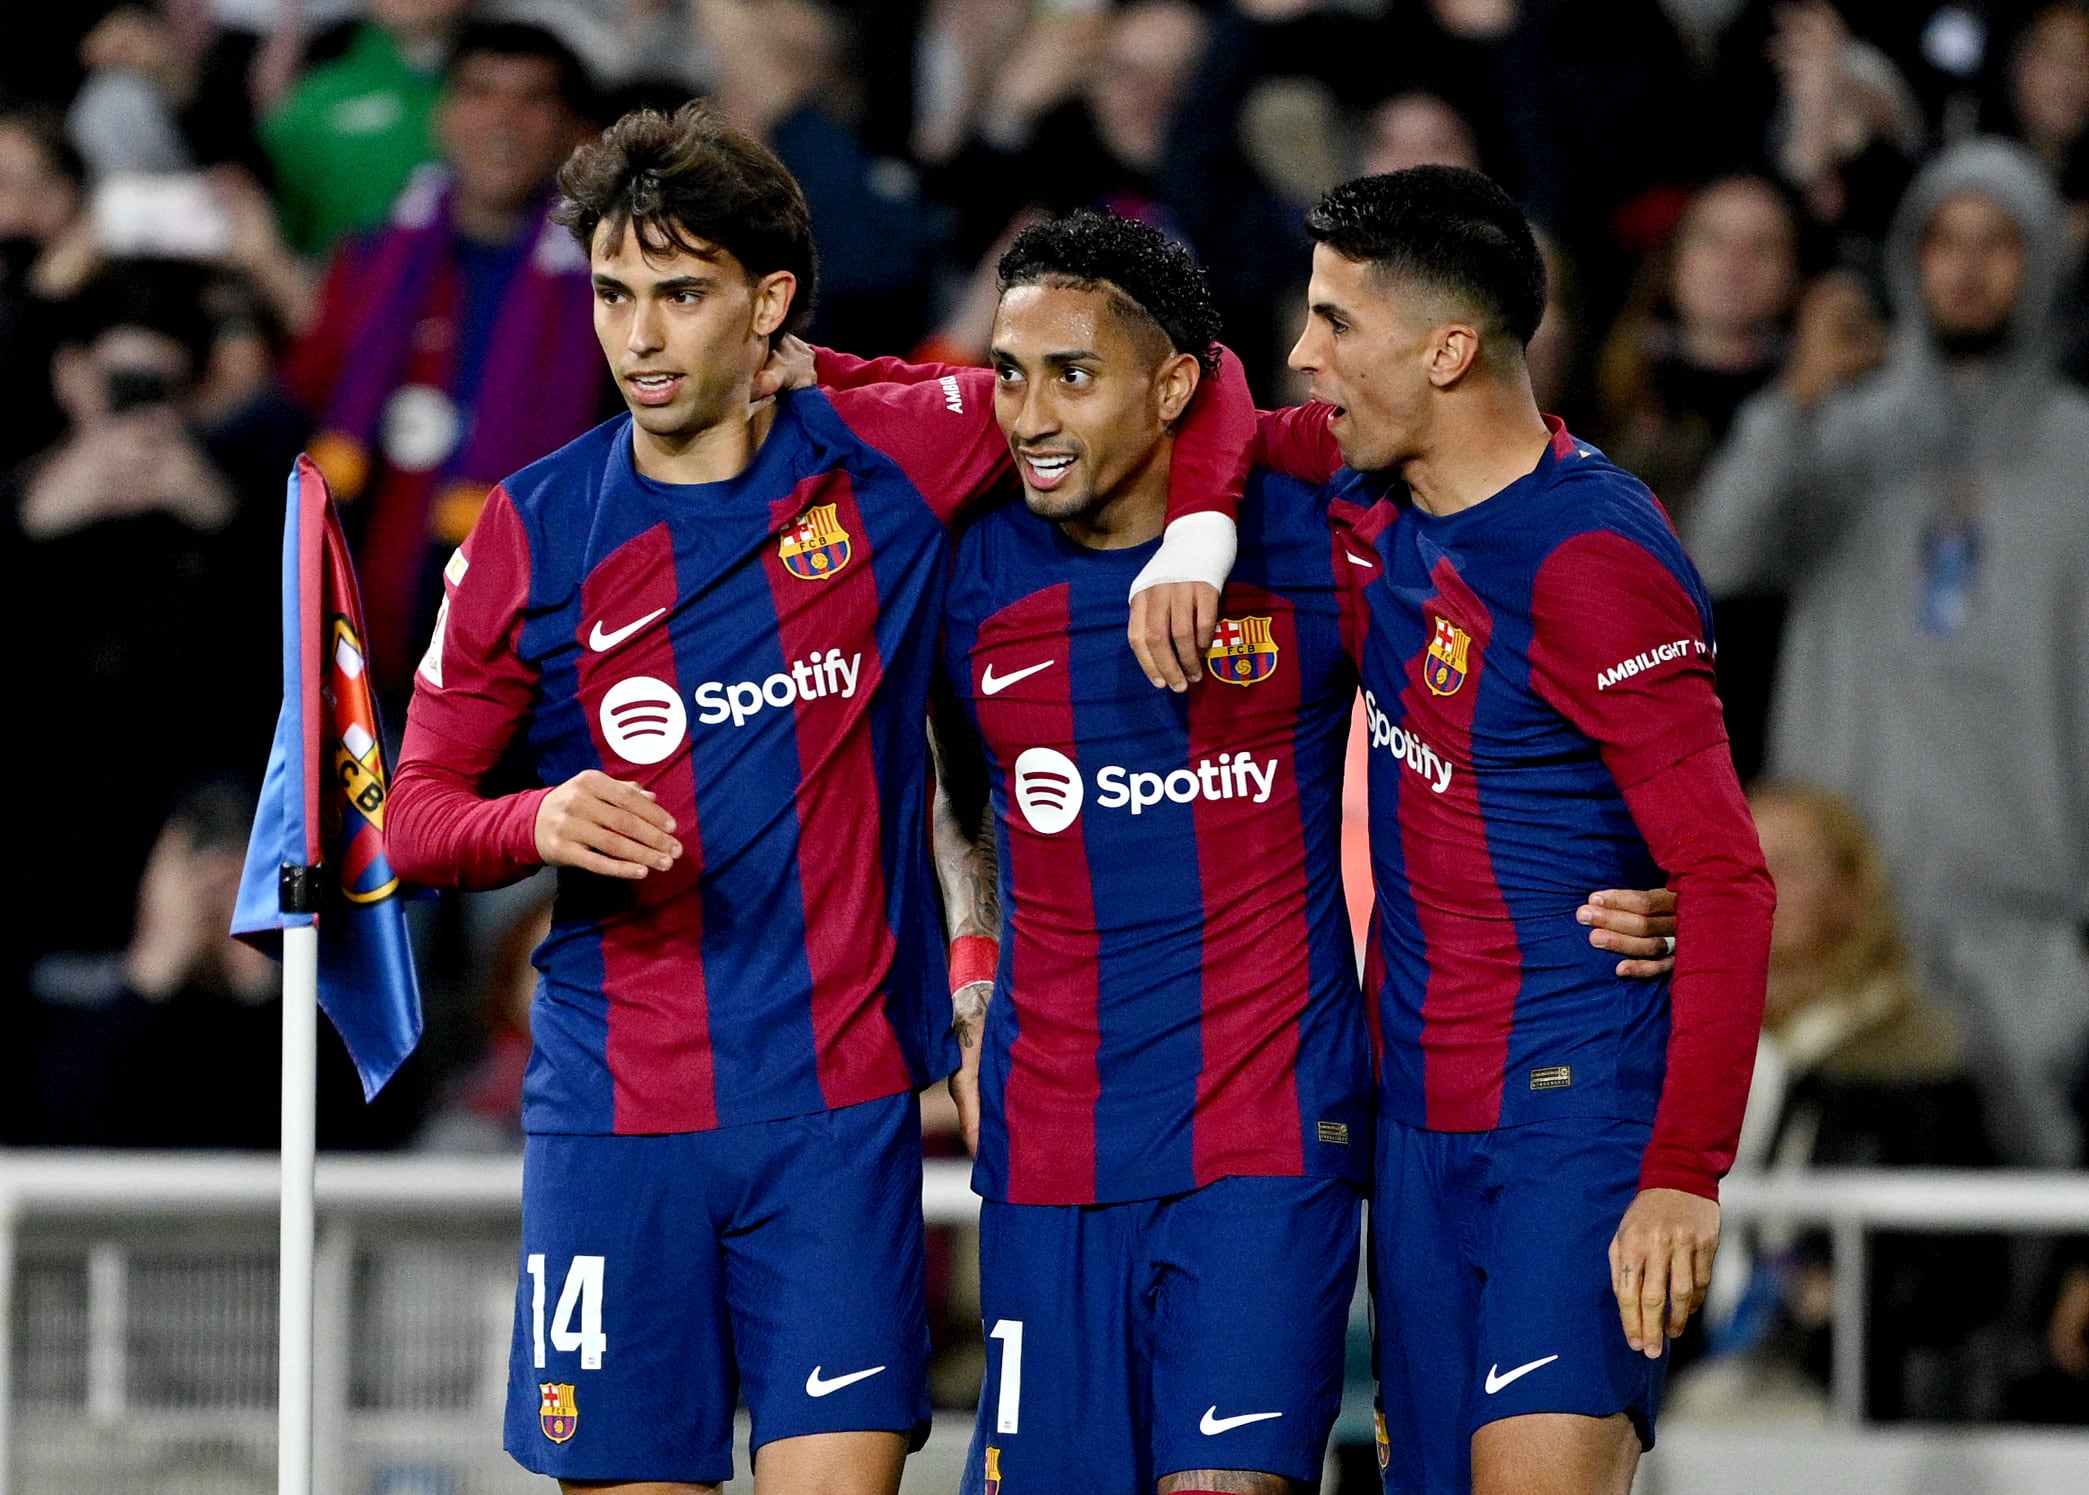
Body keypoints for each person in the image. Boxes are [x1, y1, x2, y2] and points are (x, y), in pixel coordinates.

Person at [384, 102, 1243, 1494]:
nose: (640, 336)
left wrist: (1200, 534)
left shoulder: (893, 457)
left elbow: (1179, 375)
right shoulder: (530, 529)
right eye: (614, 293)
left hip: (837, 1115)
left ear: (767, 301)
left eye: (681, 293)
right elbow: (410, 810)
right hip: (616, 1115)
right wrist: (531, 821)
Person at [805, 208, 1682, 1494]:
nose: (1030, 413)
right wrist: (974, 983)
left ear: (1164, 387)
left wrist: (1625, 876)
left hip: (1268, 1123)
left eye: (1073, 375)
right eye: (1011, 374)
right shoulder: (964, 561)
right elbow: (955, 793)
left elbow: (1510, 609)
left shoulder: (1309, 532)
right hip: (1052, 1134)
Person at [1256, 166, 1775, 1494]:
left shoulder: (1591, 558)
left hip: (1574, 1122)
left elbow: (1723, 871)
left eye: (1334, 321)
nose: (1304, 354)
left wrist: (1683, 1171)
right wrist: (812, 376)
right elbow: (1172, 413)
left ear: (1445, 350)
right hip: (1419, 1127)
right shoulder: (1370, 496)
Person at [1688, 137, 2089, 1168]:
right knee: (1846, 1222)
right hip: (1848, 915)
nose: (1966, 267)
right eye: (1943, 242)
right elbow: (1718, 555)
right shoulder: (1839, 433)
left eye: (1996, 242)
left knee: (2033, 1205)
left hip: (2029, 913)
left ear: (2039, 259)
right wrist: (1792, 400)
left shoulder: (2078, 450)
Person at [283, 20, 604, 698]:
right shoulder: (371, 258)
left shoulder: (614, 288)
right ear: (444, 117)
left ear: (576, 132)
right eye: (480, 93)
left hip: (521, 630)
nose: (503, 121)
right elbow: (303, 397)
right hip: (352, 604)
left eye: (532, 99)